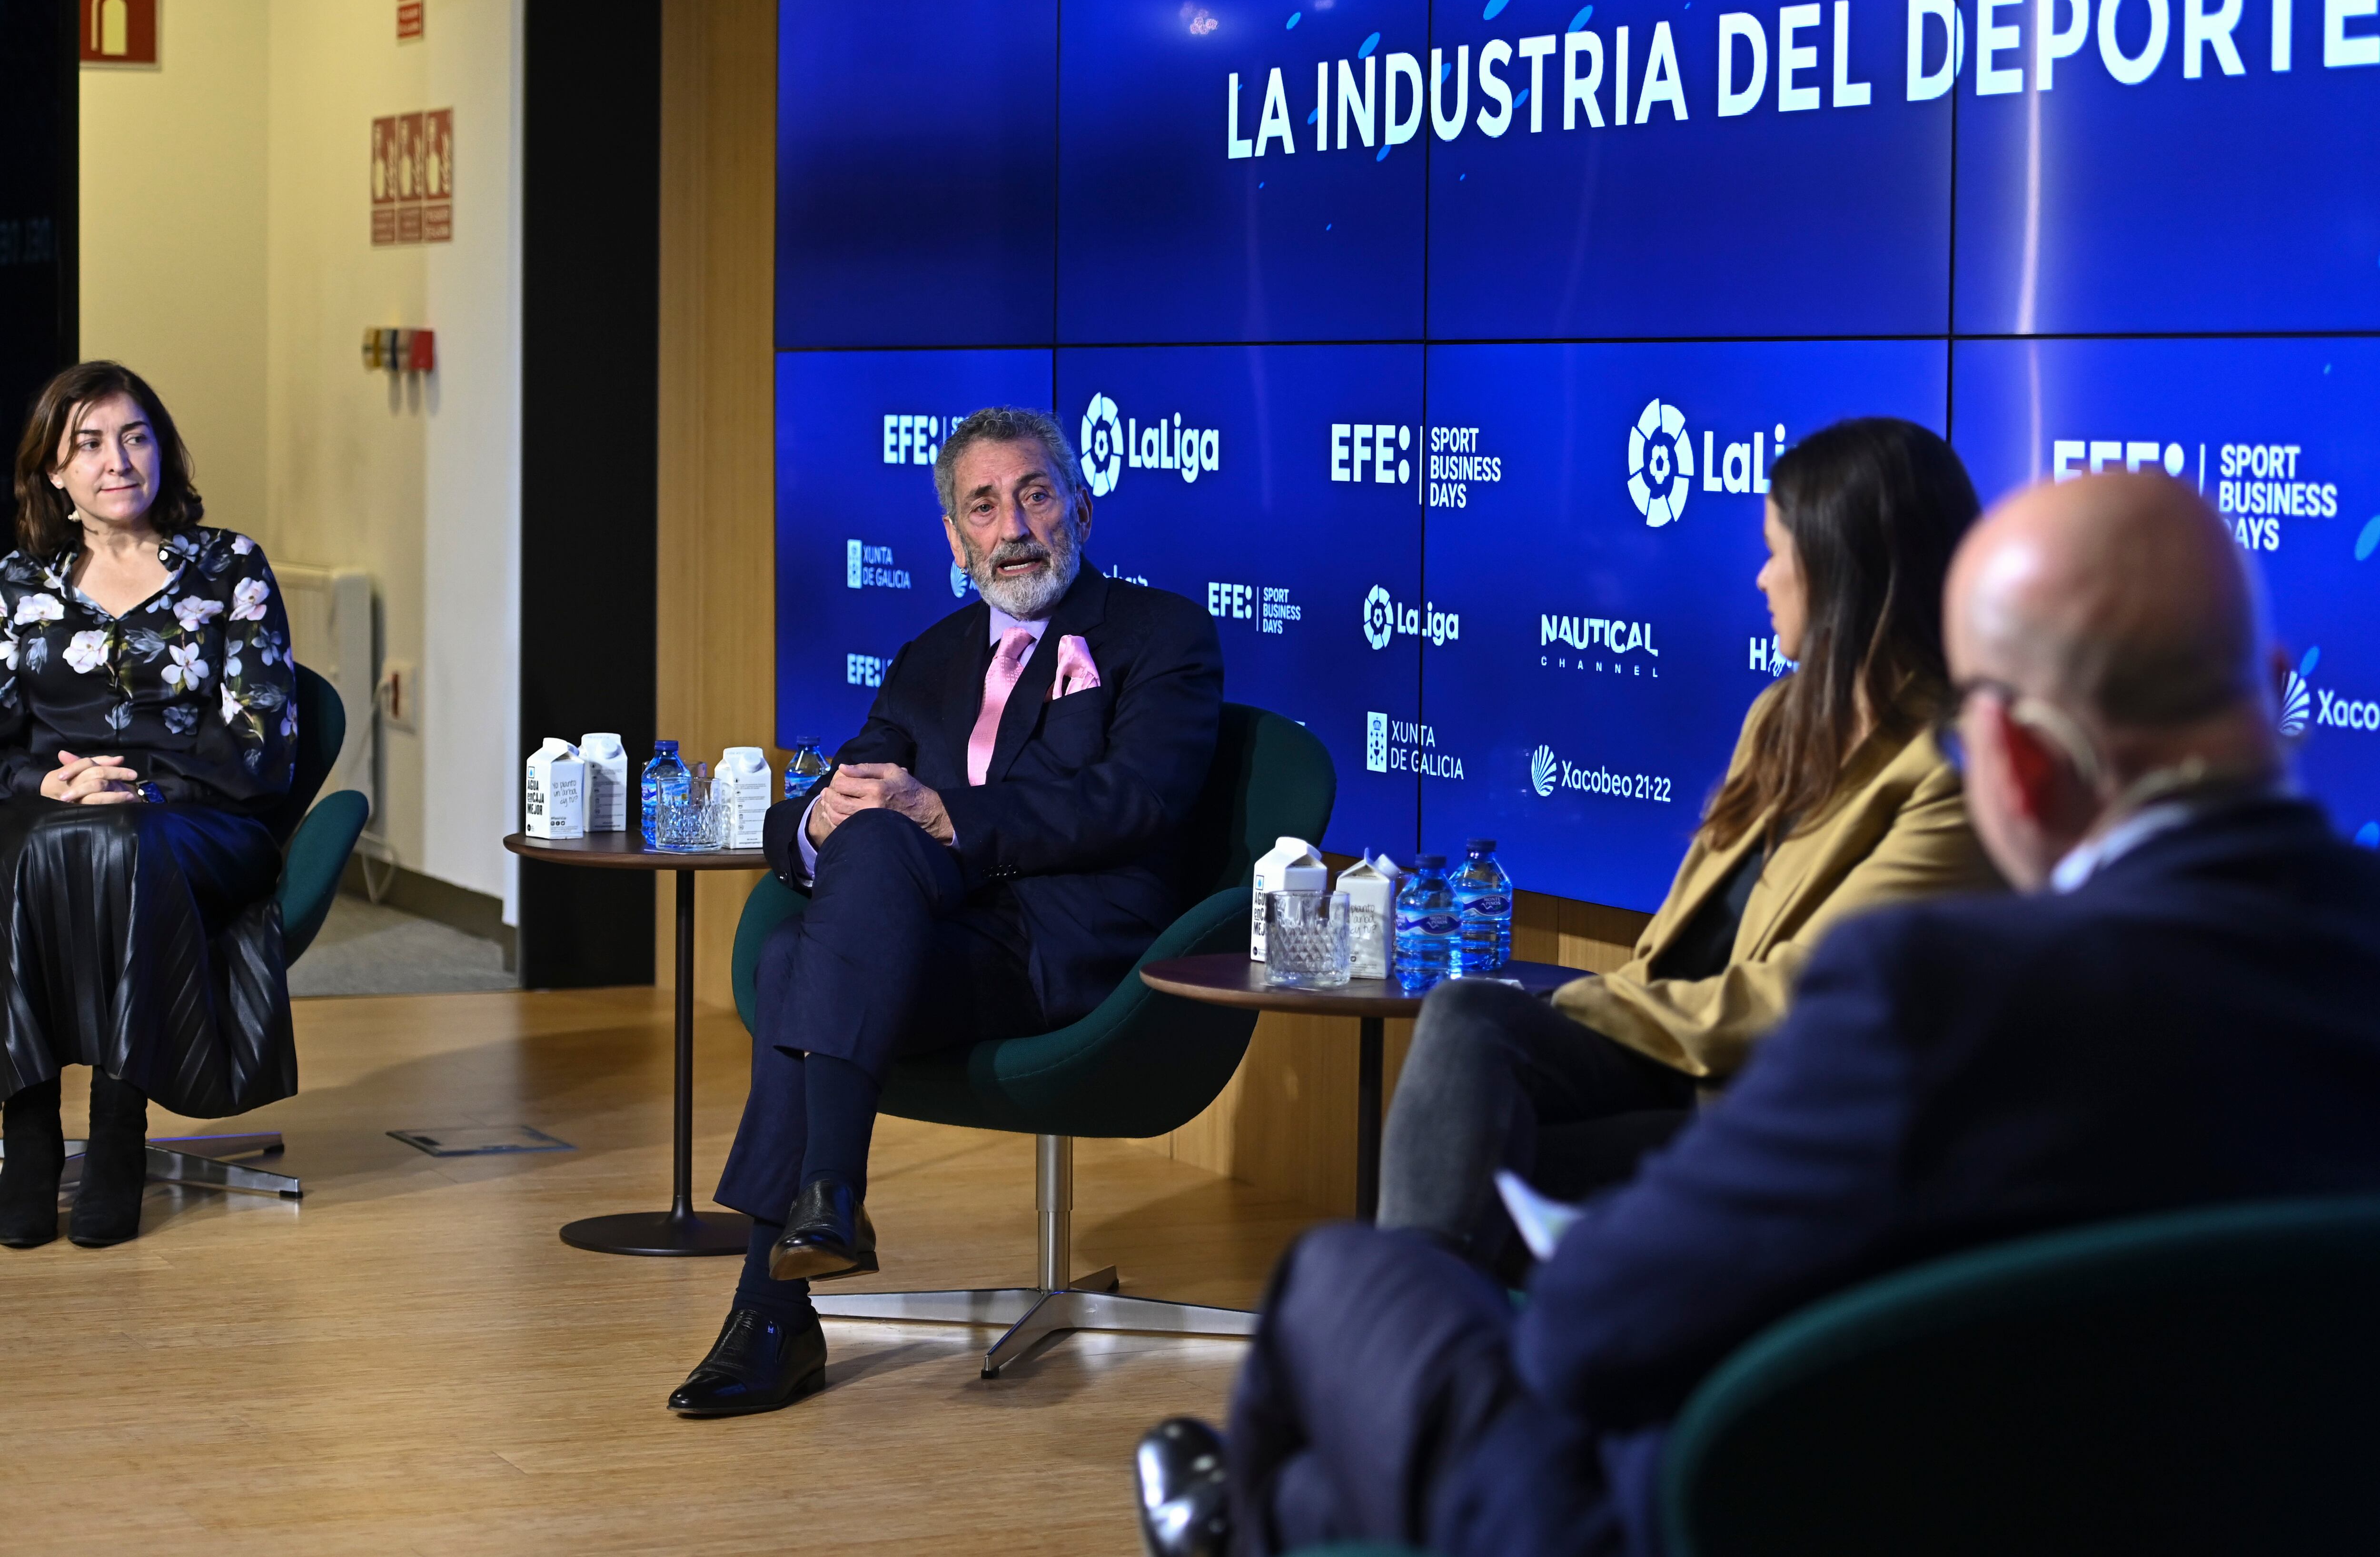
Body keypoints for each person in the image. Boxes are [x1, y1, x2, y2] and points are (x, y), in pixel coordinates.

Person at [1134, 469, 2380, 1557]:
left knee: (1344, 1279)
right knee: (1320, 1457)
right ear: (2274, 692)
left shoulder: (1933, 1003)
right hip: (2192, 1496)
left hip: (1750, 1506)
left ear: (2018, 759)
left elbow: (1586, 1329)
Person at [668, 406, 1223, 1417]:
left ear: (1081, 512)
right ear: (954, 539)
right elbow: (851, 782)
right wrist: (816, 820)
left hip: (1075, 953)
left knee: (807, 954)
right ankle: (821, 1209)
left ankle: (776, 1304)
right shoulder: (930, 657)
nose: (1013, 525)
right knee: (842, 875)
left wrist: (941, 813)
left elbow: (1135, 800)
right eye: (984, 504)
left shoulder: (1161, 633)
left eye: (1035, 494)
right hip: (946, 943)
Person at [1379, 417, 1999, 1266]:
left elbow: (1815, 999)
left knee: (1483, 1176)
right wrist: (1596, 1006)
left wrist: (1583, 1004)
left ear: (1844, 568)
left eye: (1777, 551)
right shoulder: (1783, 717)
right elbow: (1677, 940)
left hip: (1777, 1107)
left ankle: (1405, 1344)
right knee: (1468, 1016)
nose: (1761, 577)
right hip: (1674, 1050)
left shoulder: (1950, 767)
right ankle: (1420, 1347)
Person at [0, 361, 300, 1251]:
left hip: (201, 819)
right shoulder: (20, 584)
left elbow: (263, 744)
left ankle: (120, 1123)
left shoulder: (230, 568)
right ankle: (29, 1127)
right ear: (54, 472)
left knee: (122, 838)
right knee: (38, 843)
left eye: (134, 437)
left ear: (162, 451)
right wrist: (48, 782)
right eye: (87, 444)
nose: (116, 460)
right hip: (58, 816)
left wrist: (147, 785)